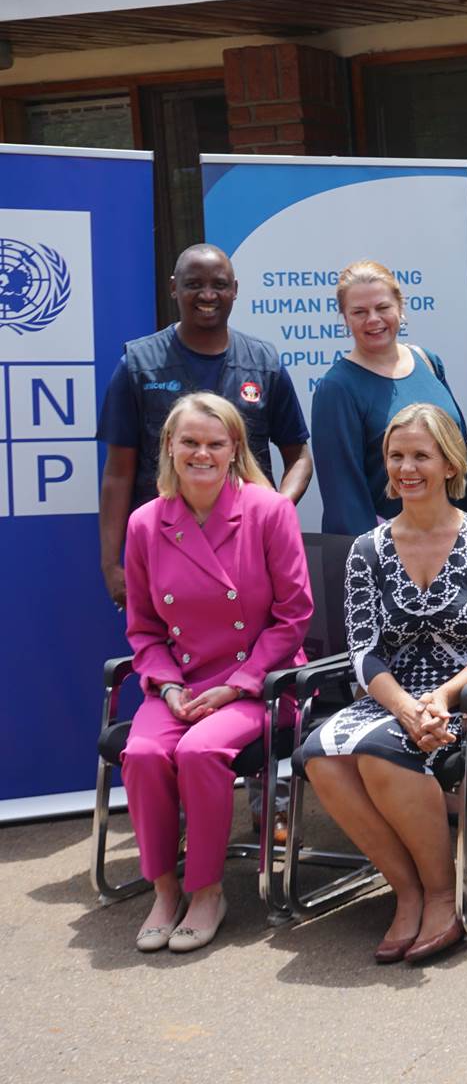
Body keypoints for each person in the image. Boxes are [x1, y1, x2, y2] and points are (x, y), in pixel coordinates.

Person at [294, 404, 467, 965]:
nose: (406, 468)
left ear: (449, 464)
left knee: (378, 756)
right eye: (396, 456)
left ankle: (446, 894)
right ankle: (409, 890)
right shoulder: (365, 551)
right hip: (389, 695)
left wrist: (442, 698)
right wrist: (404, 706)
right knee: (318, 753)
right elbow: (363, 650)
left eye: (421, 455)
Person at [120, 392, 312, 953]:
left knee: (200, 752)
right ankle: (164, 888)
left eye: (214, 443)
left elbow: (293, 615)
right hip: (180, 680)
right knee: (144, 753)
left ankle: (206, 892)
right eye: (190, 443)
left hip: (259, 681)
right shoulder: (145, 524)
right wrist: (170, 684)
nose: (201, 453)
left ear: (234, 450)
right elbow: (144, 627)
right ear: (170, 448)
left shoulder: (268, 510)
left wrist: (239, 684)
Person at [99, 243, 311, 610]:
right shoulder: (138, 365)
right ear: (173, 288)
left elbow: (300, 456)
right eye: (195, 284)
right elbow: (118, 473)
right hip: (165, 549)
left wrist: (275, 509)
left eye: (220, 284)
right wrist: (111, 563)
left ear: (235, 290)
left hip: (250, 549)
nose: (208, 295)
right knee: (168, 655)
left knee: (254, 649)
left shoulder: (264, 363)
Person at [311, 259, 467, 536]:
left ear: (400, 307)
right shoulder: (337, 388)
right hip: (394, 549)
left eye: (383, 307)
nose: (373, 319)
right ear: (345, 318)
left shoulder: (428, 361)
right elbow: (344, 496)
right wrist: (373, 563)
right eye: (359, 311)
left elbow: (462, 451)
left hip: (456, 538)